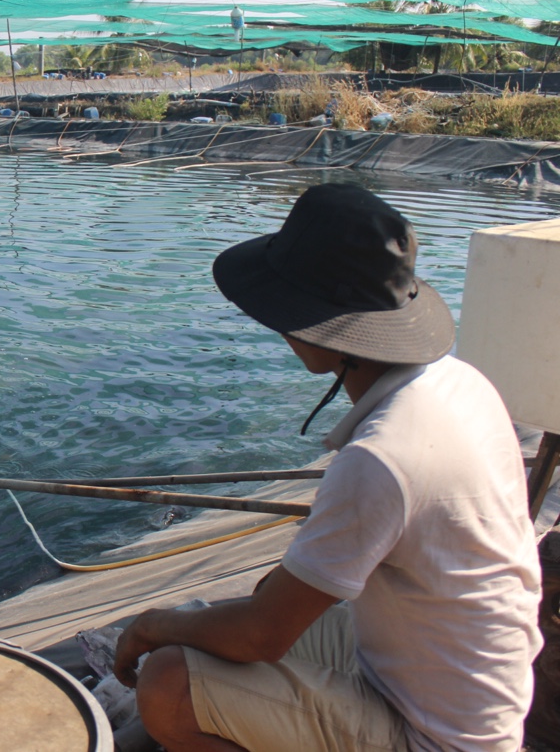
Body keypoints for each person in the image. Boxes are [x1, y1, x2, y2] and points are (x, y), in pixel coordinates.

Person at [114, 183, 542, 752]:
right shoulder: (460, 382)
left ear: (325, 330)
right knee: (230, 617)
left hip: (437, 737)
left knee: (168, 680)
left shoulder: (381, 457)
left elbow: (262, 636)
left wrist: (150, 624)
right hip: (473, 695)